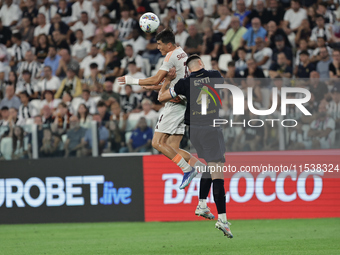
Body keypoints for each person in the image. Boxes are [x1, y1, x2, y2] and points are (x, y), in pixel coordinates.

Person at [118, 29, 205, 189]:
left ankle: (187, 170)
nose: (157, 47)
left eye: (159, 44)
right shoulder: (182, 54)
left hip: (175, 103)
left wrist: (132, 80)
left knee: (157, 143)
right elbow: (169, 81)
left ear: (169, 44)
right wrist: (154, 85)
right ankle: (202, 168)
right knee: (173, 147)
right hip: (185, 102)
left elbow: (157, 78)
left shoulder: (171, 55)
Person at [158, 54, 233, 238]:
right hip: (211, 129)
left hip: (195, 132)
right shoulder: (214, 75)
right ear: (200, 63)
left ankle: (201, 204)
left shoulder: (184, 83)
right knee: (218, 174)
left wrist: (168, 82)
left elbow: (162, 97)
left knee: (208, 167)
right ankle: (222, 219)